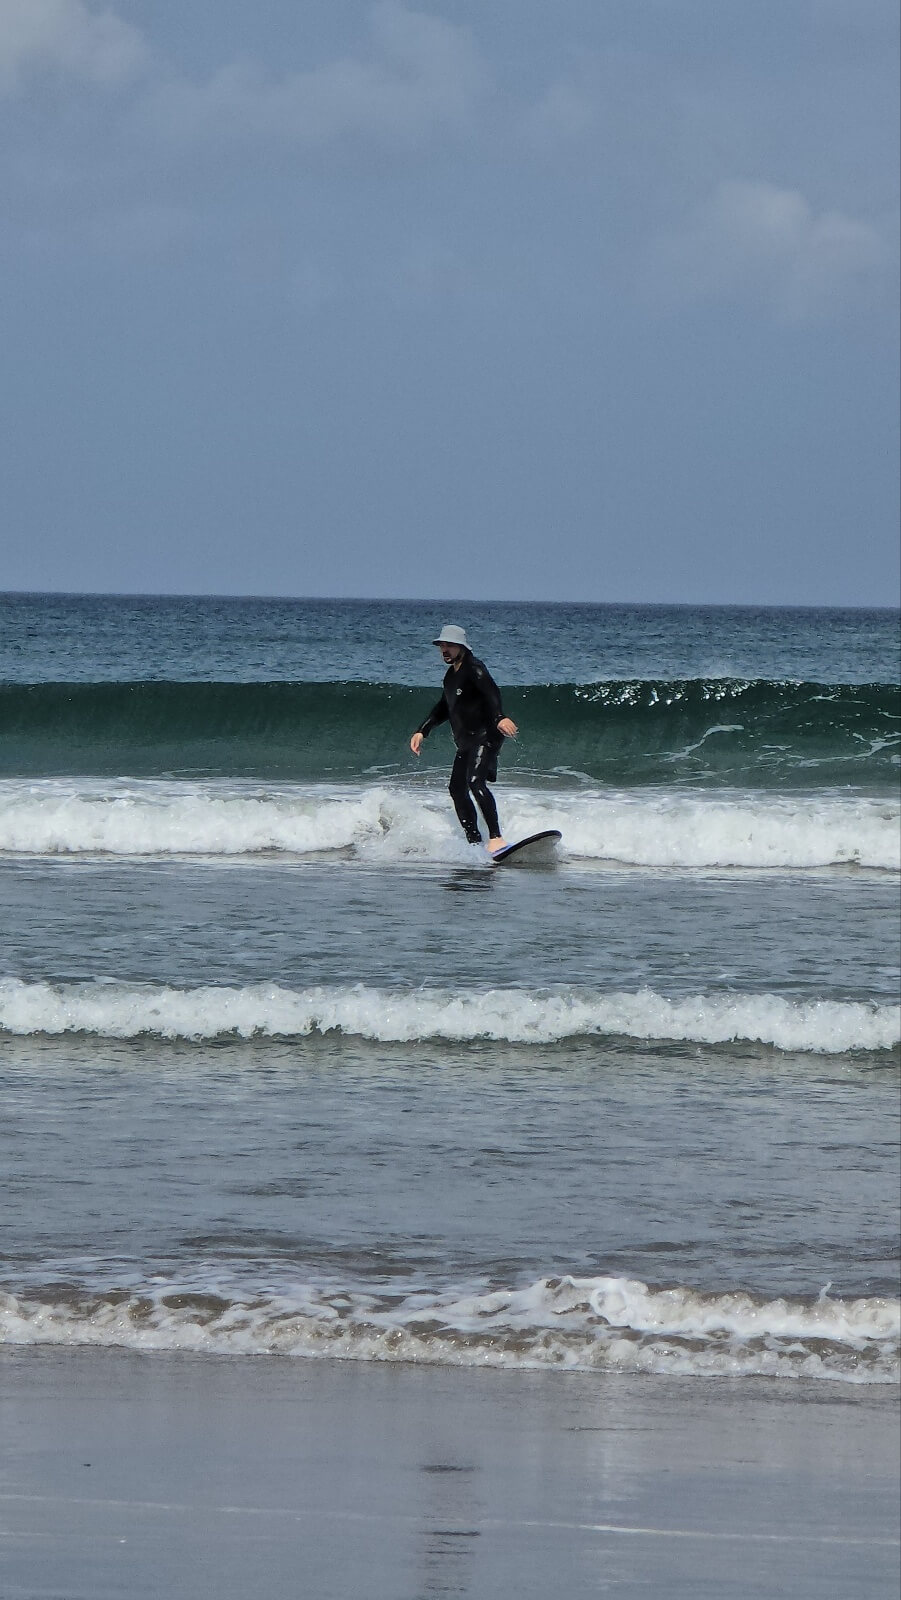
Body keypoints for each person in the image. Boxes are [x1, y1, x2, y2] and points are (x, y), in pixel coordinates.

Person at [410, 624, 518, 854]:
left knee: (475, 782)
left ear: (462, 647)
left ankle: (496, 838)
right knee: (456, 789)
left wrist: (500, 717)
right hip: (466, 741)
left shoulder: (475, 669)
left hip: (486, 736)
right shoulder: (451, 677)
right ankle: (474, 842)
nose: (445, 650)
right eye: (442, 646)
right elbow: (443, 707)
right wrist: (422, 730)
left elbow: (492, 693)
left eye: (449, 645)